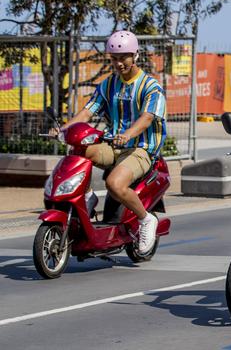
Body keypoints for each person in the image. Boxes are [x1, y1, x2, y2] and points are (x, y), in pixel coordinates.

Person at [51, 30, 167, 255]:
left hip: (140, 149)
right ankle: (87, 196)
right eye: (114, 58)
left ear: (135, 56)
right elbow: (87, 112)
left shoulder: (151, 87)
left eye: (123, 57)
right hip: (113, 146)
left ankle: (145, 220)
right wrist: (64, 130)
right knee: (79, 151)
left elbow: (147, 118)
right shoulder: (108, 85)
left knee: (114, 184)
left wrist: (129, 134)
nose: (119, 63)